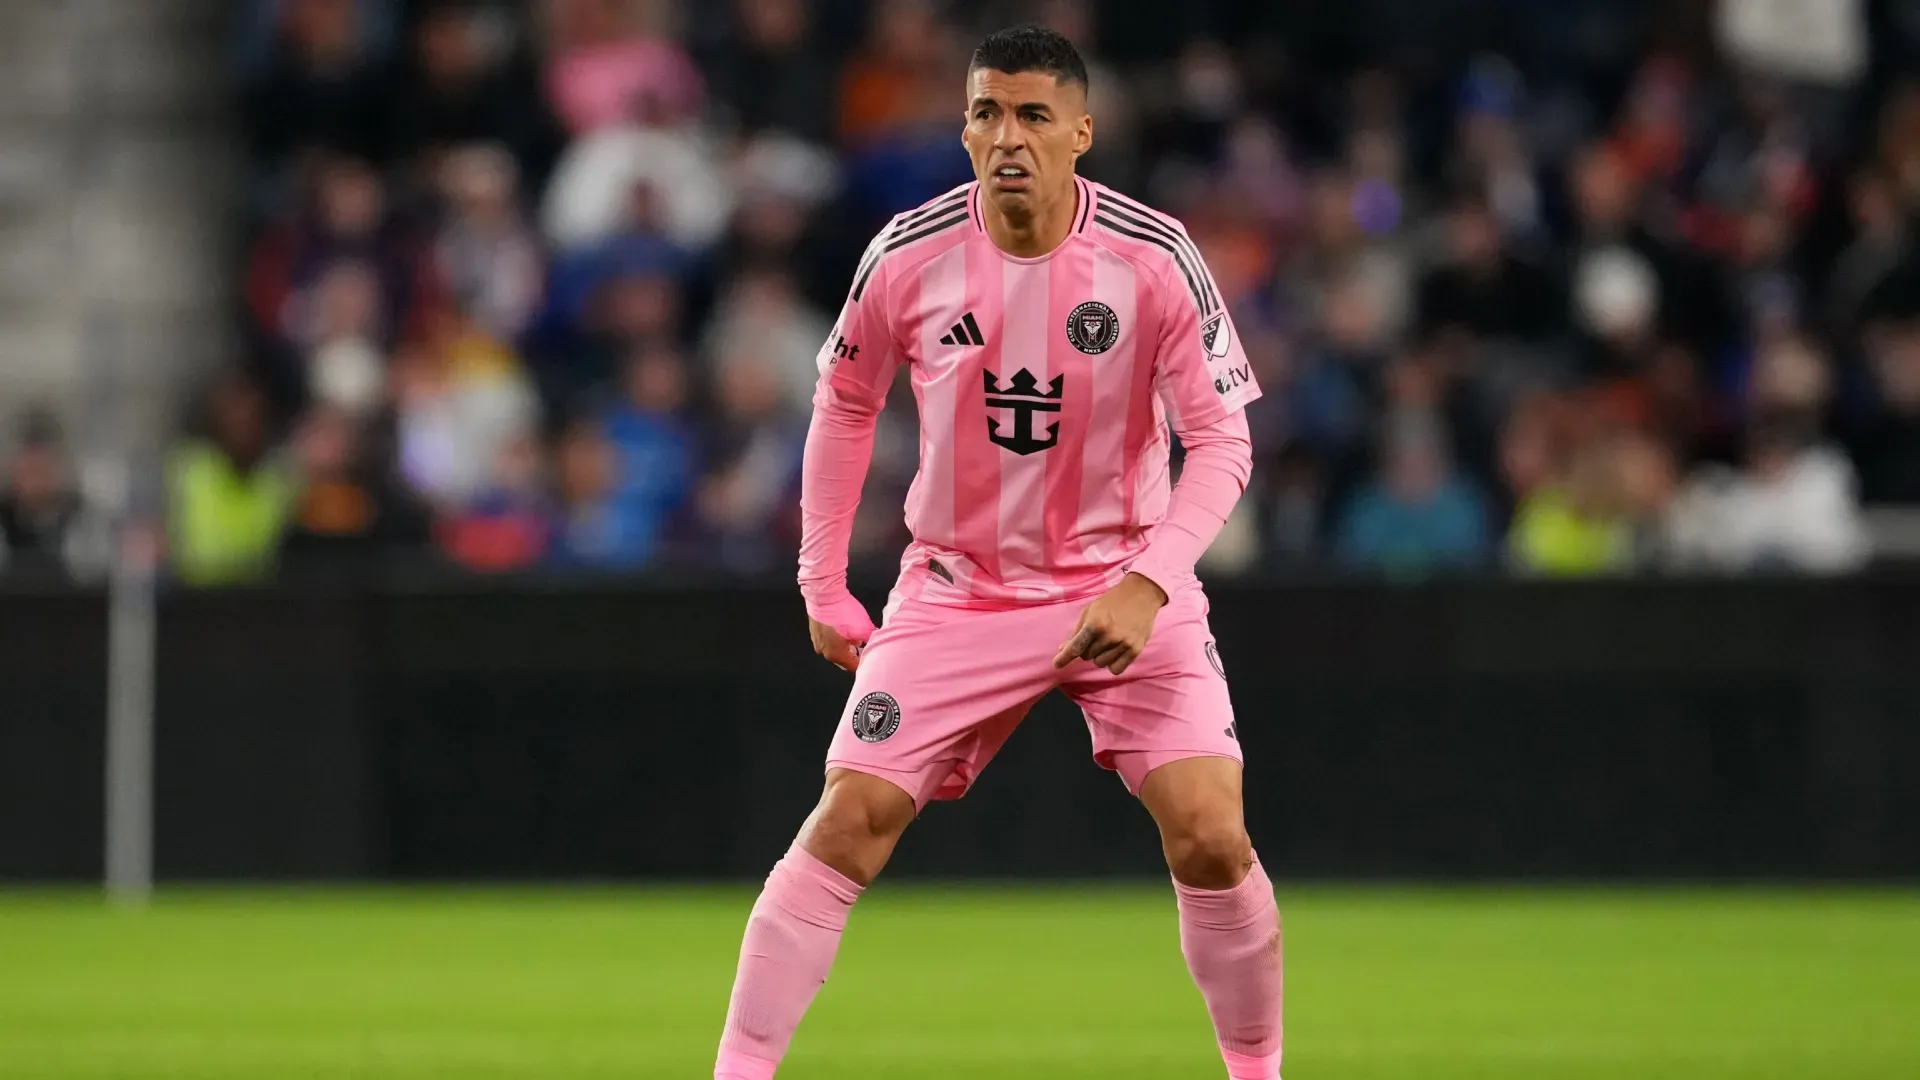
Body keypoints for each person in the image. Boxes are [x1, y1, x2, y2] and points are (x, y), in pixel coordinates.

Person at [714, 27, 1280, 1080]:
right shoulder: (908, 253)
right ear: (966, 129)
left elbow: (1223, 441)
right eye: (986, 114)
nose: (1007, 136)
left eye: (1031, 115)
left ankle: (1257, 1074)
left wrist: (1149, 584)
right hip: (959, 589)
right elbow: (844, 403)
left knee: (1211, 834)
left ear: (1081, 132)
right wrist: (821, 582)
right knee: (848, 823)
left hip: (1122, 581)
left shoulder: (1155, 257)